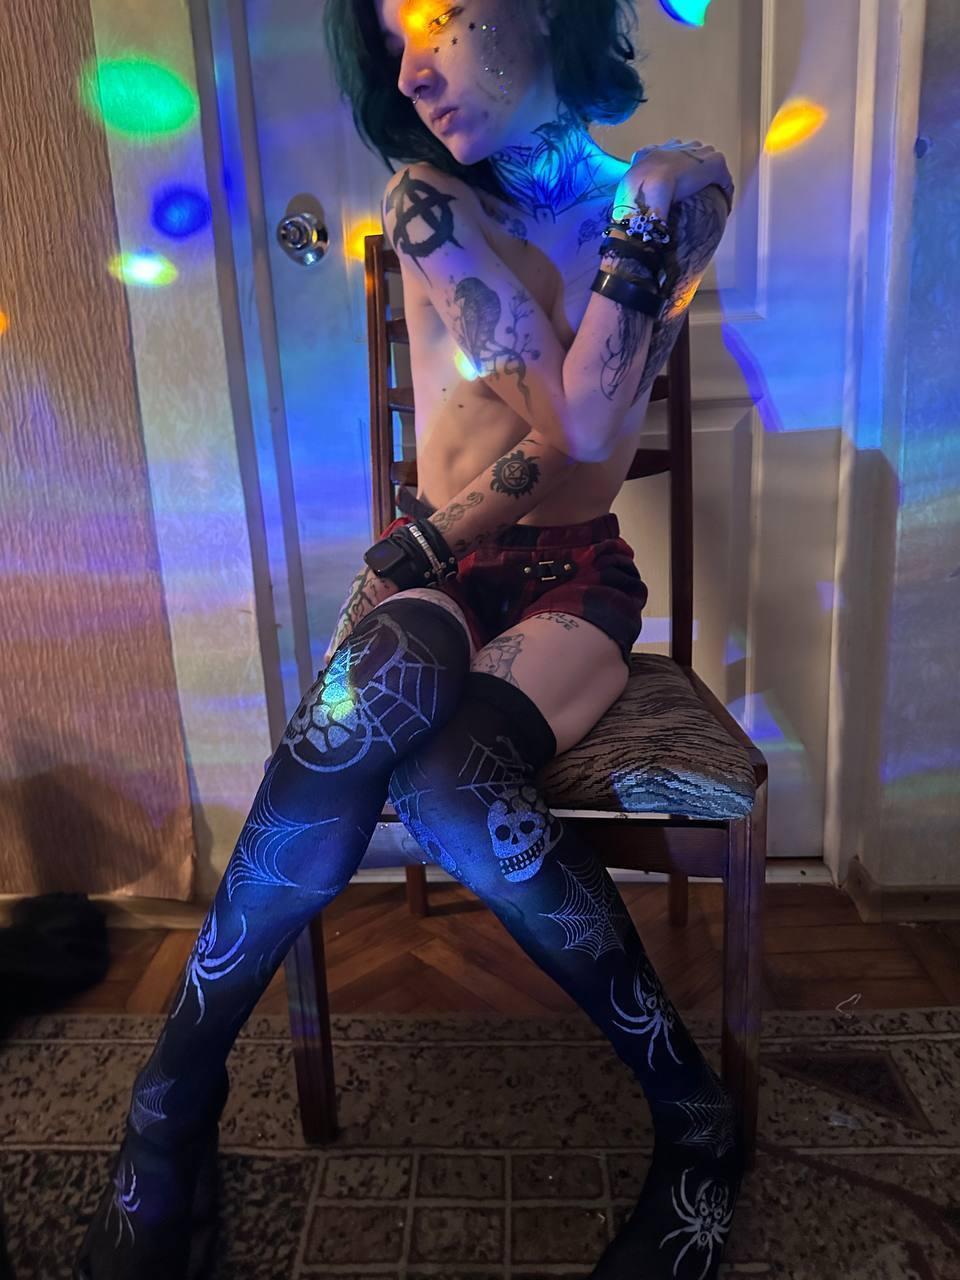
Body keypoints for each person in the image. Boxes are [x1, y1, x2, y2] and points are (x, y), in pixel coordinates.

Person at [74, 2, 740, 1276]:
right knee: (380, 689)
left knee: (452, 791)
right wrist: (640, 226)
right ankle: (169, 1102)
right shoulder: (430, 201)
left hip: (574, 579)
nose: (414, 72)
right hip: (437, 564)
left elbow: (594, 433)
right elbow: (571, 418)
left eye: (433, 18)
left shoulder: (678, 192)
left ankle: (695, 1119)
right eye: (393, 48)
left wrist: (654, 203)